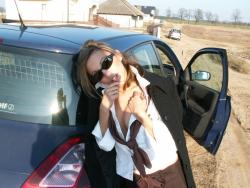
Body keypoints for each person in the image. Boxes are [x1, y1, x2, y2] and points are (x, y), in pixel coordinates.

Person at [73, 40, 196, 188]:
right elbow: (105, 147)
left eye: (106, 62)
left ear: (118, 55)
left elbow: (171, 142)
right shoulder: (102, 100)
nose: (106, 73)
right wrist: (104, 109)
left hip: (170, 177)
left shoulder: (156, 87)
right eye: (97, 74)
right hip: (134, 181)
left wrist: (142, 116)